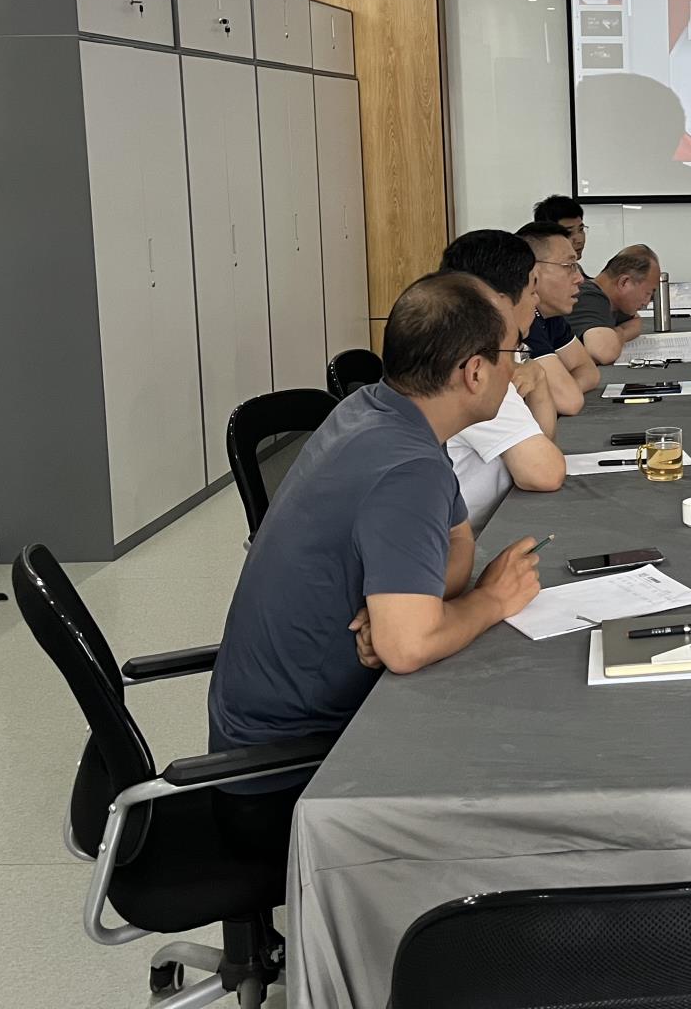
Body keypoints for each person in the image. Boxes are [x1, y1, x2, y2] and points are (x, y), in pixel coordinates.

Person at [206, 273, 543, 845]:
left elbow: (458, 541)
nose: (516, 369)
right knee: (518, 762)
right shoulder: (408, 466)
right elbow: (407, 648)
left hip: (279, 727)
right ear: (474, 372)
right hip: (291, 774)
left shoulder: (378, 409)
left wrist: (411, 608)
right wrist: (490, 599)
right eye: (512, 354)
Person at [437, 230, 569, 523]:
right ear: (500, 301)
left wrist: (539, 380)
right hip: (463, 540)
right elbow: (544, 473)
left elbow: (541, 440)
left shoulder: (478, 346)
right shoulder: (473, 365)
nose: (536, 301)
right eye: (532, 291)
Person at [515, 219, 602, 403]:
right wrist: (563, 392)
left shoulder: (549, 313)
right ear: (532, 271)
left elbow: (589, 372)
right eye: (569, 266)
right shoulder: (521, 318)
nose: (579, 278)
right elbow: (569, 401)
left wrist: (564, 390)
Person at [566, 243, 660, 364]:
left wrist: (618, 334)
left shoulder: (614, 302)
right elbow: (603, 352)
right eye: (647, 293)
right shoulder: (588, 297)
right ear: (624, 282)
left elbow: (636, 322)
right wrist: (620, 333)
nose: (646, 302)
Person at [533, 194, 587, 266]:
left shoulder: (574, 266)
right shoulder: (539, 270)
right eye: (569, 233)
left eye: (581, 229)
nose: (579, 240)